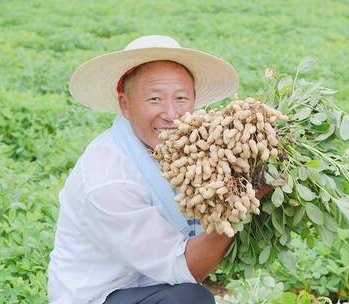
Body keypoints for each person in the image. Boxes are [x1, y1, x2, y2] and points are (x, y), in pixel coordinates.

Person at [47, 35, 239, 304]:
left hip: (149, 283)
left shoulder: (186, 146)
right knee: (188, 300)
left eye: (182, 97)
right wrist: (241, 202)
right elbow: (186, 269)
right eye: (155, 99)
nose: (172, 114)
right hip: (99, 296)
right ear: (125, 105)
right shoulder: (108, 179)